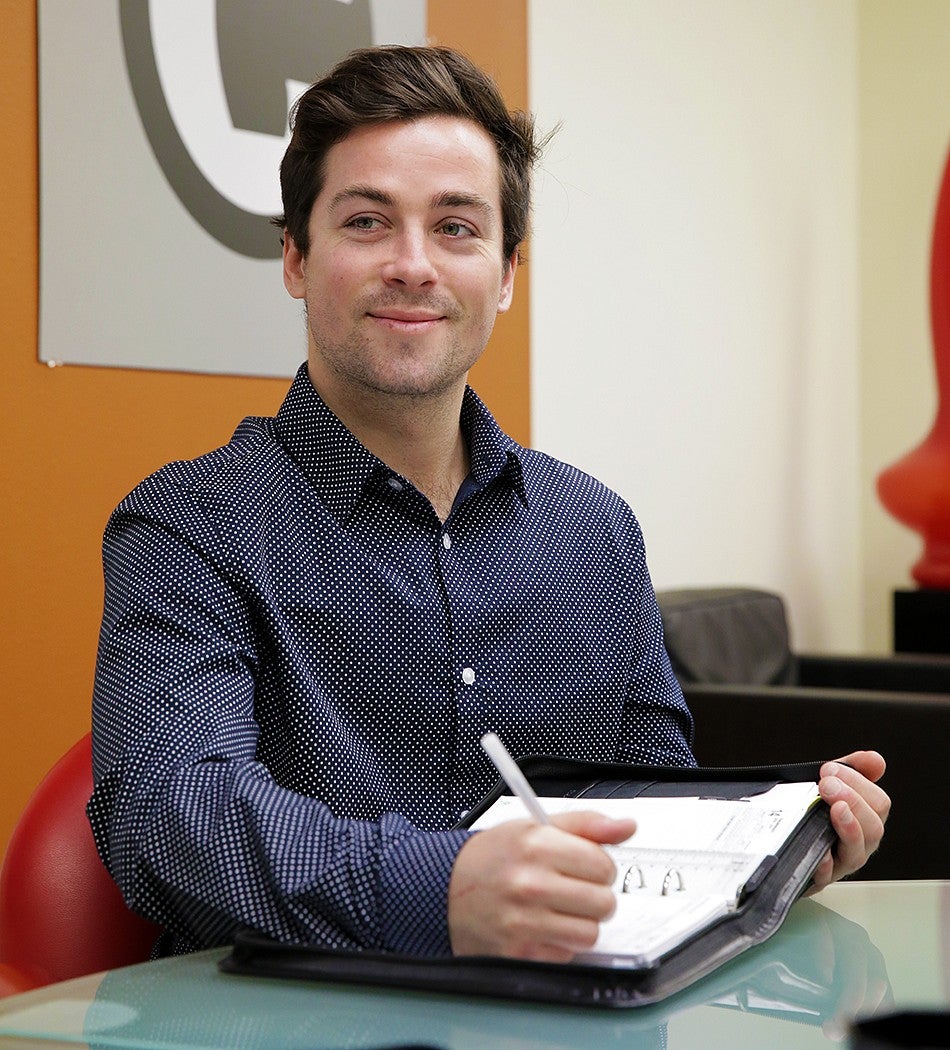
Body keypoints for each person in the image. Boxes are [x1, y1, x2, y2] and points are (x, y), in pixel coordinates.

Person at [89, 45, 889, 964]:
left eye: (457, 228)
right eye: (366, 222)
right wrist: (442, 889)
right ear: (297, 261)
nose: (413, 265)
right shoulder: (188, 524)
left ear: (506, 274)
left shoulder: (592, 529)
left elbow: (654, 798)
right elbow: (170, 811)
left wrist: (770, 852)